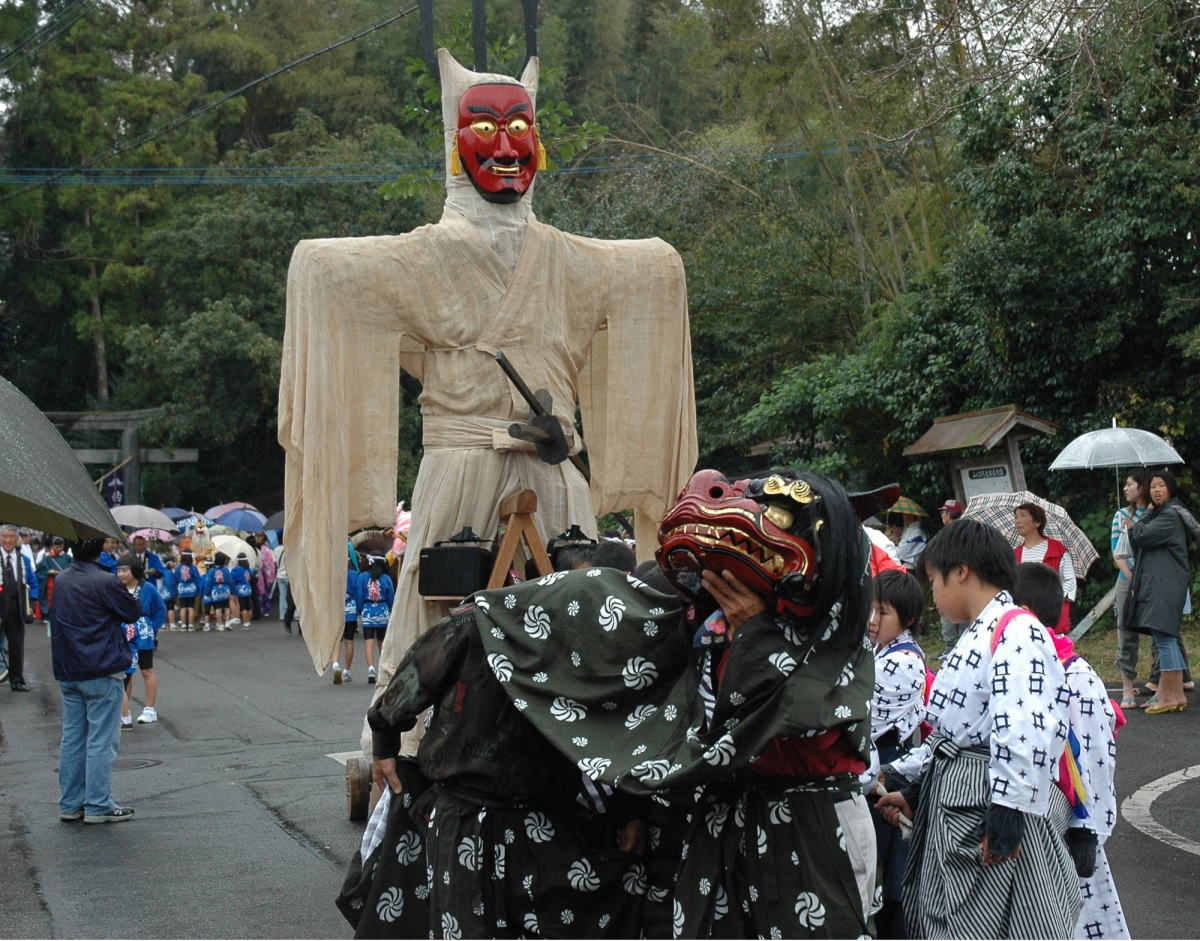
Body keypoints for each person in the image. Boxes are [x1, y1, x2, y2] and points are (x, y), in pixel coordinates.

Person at [877, 518, 1081, 939]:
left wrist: (1006, 815)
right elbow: (953, 734)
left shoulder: (1017, 630)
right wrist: (909, 784)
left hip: (983, 803)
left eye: (933, 579)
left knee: (981, 923)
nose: (932, 594)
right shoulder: (985, 631)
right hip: (961, 798)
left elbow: (1022, 727)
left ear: (962, 571)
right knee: (953, 920)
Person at [1013, 561, 1129, 940]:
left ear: (1025, 615)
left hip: (1071, 836)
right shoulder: (1016, 666)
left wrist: (1087, 829)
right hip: (1032, 834)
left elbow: (1096, 761)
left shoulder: (1075, 677)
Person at [50, 537, 141, 823]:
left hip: (69, 666)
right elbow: (131, 612)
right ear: (100, 550)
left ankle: (71, 803)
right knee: (101, 740)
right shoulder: (105, 581)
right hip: (101, 664)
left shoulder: (62, 579)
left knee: (73, 738)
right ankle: (98, 804)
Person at [865, 569, 929, 939]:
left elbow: (864, 721)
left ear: (908, 618)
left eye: (883, 612)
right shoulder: (882, 651)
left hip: (889, 769)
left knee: (892, 882)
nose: (873, 621)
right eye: (871, 610)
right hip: (880, 765)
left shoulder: (902, 662)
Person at [1124, 469, 1200, 713]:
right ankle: (1174, 694)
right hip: (1164, 584)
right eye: (1153, 486)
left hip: (1164, 586)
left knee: (1165, 640)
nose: (1156, 490)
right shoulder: (1167, 512)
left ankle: (1169, 696)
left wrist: (1143, 516)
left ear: (1170, 489)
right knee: (1166, 638)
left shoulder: (1168, 516)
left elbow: (1141, 536)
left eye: (1161, 486)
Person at [1113, 471, 1152, 708]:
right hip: (1127, 577)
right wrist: (1130, 574)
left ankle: (1161, 684)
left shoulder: (1156, 513)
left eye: (1130, 484)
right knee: (1125, 630)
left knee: (1158, 631)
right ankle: (1127, 687)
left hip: (1154, 576)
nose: (1125, 489)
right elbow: (1116, 550)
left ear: (1142, 487)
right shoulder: (1121, 515)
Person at [116, 554, 166, 727]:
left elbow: (160, 610)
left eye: (124, 570)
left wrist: (152, 629)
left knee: (146, 669)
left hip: (143, 632)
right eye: (118, 570)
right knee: (126, 673)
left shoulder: (148, 588)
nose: (121, 574)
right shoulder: (116, 588)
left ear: (134, 570)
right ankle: (124, 712)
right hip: (123, 632)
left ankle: (150, 709)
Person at [1013, 501, 1076, 633]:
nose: (1017, 520)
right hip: (1024, 615)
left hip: (1051, 614)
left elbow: (1070, 581)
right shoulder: (1015, 555)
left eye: (1023, 515)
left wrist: (1053, 600)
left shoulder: (1057, 549)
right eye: (1016, 516)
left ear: (1037, 522)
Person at [1, 523, 38, 692]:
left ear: (16, 540)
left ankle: (17, 679)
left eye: (11, 537)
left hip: (16, 608)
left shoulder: (24, 559)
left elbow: (32, 583)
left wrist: (31, 605)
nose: (8, 540)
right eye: (4, 537)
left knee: (17, 646)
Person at [356, 557, 394, 686]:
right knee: (382, 642)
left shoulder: (362, 577)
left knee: (368, 641)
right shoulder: (386, 578)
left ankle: (371, 669)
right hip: (383, 610)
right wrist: (389, 609)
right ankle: (383, 669)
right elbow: (391, 596)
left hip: (368, 610)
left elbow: (359, 594)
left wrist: (360, 610)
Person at [937, 499, 969, 647]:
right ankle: (963, 644)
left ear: (949, 514)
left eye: (943, 512)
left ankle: (950, 648)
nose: (942, 515)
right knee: (964, 610)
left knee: (946, 611)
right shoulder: (966, 530)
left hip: (948, 576)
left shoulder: (945, 533)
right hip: (965, 576)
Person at [332, 558, 360, 684]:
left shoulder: (333, 573)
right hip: (351, 611)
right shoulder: (354, 575)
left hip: (337, 610)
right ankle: (346, 671)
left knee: (337, 640)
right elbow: (359, 592)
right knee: (349, 641)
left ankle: (335, 664)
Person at [36, 537, 72, 621]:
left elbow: (73, 569)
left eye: (60, 546)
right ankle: (48, 616)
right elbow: (40, 571)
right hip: (52, 584)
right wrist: (48, 572)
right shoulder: (48, 558)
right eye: (57, 546)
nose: (59, 548)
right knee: (51, 601)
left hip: (65, 584)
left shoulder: (68, 558)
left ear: (63, 546)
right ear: (52, 546)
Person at [203, 552, 233, 631]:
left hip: (216, 590)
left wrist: (207, 592)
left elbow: (209, 582)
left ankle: (220, 625)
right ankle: (227, 622)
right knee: (226, 607)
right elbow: (230, 580)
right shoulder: (226, 570)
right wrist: (232, 590)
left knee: (218, 608)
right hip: (225, 589)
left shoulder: (212, 570)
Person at [174, 551, 201, 631]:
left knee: (183, 607)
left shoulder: (178, 567)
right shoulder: (193, 567)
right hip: (191, 587)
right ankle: (190, 625)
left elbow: (176, 578)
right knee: (190, 607)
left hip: (182, 587)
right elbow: (197, 579)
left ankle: (183, 625)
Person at [229, 552, 255, 629]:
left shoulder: (236, 569)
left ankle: (245, 623)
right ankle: (248, 622)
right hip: (248, 588)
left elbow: (233, 578)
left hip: (240, 589)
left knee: (243, 607)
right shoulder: (249, 569)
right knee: (249, 606)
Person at [254, 533, 276, 618]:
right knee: (264, 592)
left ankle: (259, 609)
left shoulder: (254, 549)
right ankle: (264, 609)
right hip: (263, 573)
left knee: (258, 592)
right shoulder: (266, 550)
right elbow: (270, 564)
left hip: (258, 572)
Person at [158, 558, 179, 630]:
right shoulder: (169, 572)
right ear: (169, 564)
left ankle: (162, 625)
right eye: (173, 562)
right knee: (170, 608)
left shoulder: (163, 571)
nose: (174, 564)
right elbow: (170, 584)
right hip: (168, 592)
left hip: (162, 592)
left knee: (164, 608)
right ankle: (172, 624)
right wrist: (174, 594)